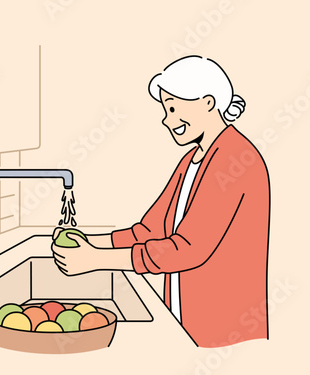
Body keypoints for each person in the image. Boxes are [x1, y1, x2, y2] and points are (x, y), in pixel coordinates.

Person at [51, 55, 270, 347]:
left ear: (207, 102)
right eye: (166, 110)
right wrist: (90, 241)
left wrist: (95, 260)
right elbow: (149, 231)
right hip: (188, 323)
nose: (168, 120)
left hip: (226, 335)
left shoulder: (234, 160)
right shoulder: (192, 160)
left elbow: (187, 249)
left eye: (174, 108)